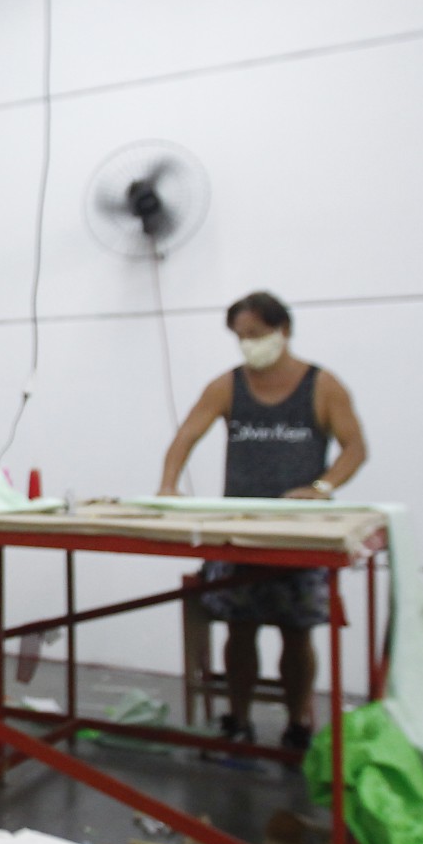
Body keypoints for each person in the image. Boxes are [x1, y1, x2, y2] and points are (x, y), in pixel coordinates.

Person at [157, 290, 367, 751]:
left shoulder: (322, 386)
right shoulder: (227, 387)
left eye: (256, 334)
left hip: (299, 533)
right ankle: (237, 716)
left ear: (282, 331)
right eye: (240, 337)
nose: (249, 344)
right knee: (240, 626)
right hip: (240, 529)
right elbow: (185, 436)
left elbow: (355, 448)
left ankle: (298, 721)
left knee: (297, 632)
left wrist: (323, 488)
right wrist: (168, 487)